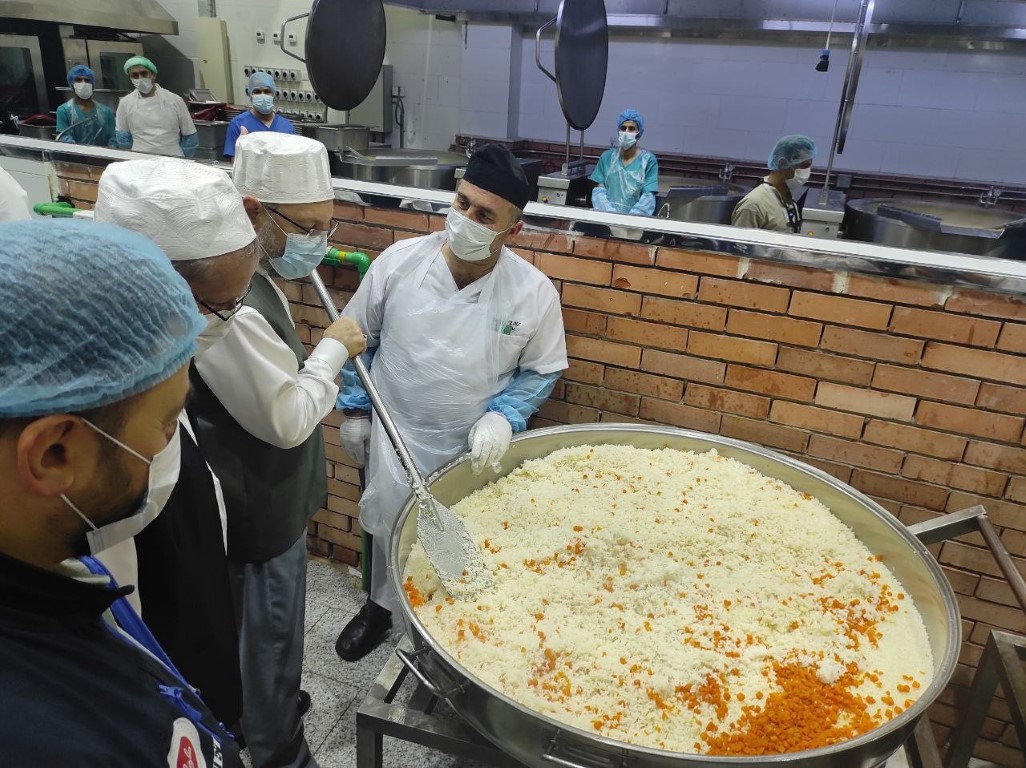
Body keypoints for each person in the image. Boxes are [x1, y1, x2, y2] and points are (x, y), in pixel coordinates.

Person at [0, 219, 240, 766]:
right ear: (53, 454)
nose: (168, 444)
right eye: (167, 422)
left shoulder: (59, 569)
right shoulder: (50, 737)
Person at [334, 143, 569, 662]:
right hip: (395, 434)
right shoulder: (399, 264)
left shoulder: (532, 294)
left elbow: (542, 370)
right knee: (387, 525)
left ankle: (442, 637)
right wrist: (354, 411)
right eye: (462, 203)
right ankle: (378, 609)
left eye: (485, 214)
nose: (465, 219)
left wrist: (503, 417)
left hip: (469, 450)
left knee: (458, 543)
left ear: (514, 229)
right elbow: (356, 339)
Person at [186, 131, 366, 768]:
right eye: (309, 226)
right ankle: (276, 748)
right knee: (268, 642)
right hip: (256, 509)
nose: (320, 239)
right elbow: (287, 417)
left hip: (275, 497)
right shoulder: (227, 299)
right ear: (255, 211)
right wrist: (335, 348)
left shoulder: (258, 268)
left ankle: (268, 710)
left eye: (328, 224)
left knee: (269, 643)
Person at [94, 156, 264, 731]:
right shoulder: (96, 401)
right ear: (155, 293)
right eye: (221, 306)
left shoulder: (160, 362)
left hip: (189, 565)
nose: (230, 319)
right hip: (142, 600)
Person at [731, 134, 817, 233]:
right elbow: (740, 246)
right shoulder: (754, 205)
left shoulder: (787, 198)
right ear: (783, 164)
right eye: (804, 166)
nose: (807, 171)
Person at [114, 56, 198, 157]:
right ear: (130, 78)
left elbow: (190, 135)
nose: (140, 78)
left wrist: (184, 160)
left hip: (173, 160)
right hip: (140, 161)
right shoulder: (125, 103)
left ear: (153, 74)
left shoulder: (174, 100)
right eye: (135, 75)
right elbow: (122, 138)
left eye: (144, 73)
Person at [590, 108, 659, 216]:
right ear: (618, 131)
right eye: (623, 128)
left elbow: (648, 199)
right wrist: (611, 216)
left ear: (638, 132)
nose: (626, 132)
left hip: (634, 226)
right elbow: (599, 193)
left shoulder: (648, 160)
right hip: (606, 220)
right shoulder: (607, 158)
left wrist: (629, 221)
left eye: (631, 128)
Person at [224, 71, 295, 159]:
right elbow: (235, 166)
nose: (263, 95)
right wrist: (242, 149)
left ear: (274, 94)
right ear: (250, 94)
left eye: (267, 91)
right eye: (257, 92)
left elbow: (292, 160)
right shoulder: (238, 124)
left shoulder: (286, 126)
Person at [56, 64, 116, 147]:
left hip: (103, 157)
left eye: (87, 80)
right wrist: (83, 155)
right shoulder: (64, 110)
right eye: (78, 80)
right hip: (76, 157)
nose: (83, 83)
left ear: (93, 85)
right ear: (72, 85)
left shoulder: (106, 111)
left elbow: (113, 138)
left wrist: (107, 154)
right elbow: (64, 138)